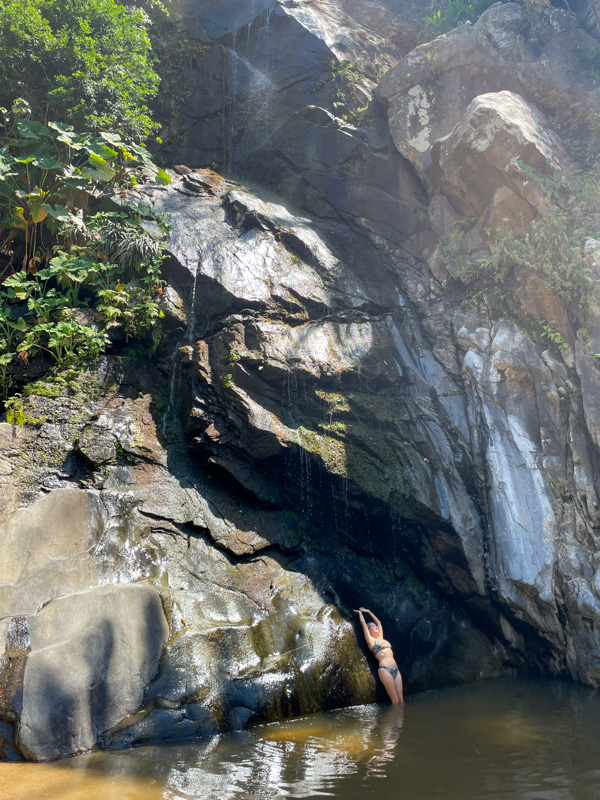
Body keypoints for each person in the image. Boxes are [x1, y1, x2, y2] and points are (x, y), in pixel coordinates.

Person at [354, 606, 404, 704]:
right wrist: (360, 614)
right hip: (385, 670)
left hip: (396, 670)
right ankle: (395, 719)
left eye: (375, 626)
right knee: (395, 700)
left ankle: (401, 719)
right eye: (373, 626)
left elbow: (379, 622)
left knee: (401, 700)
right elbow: (363, 623)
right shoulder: (371, 641)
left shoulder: (382, 638)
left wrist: (369, 611)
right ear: (369, 630)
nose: (376, 627)